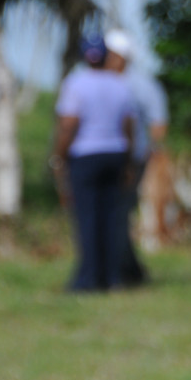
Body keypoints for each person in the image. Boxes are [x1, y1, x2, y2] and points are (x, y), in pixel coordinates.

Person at [51, 33, 135, 292]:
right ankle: (112, 278)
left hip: (85, 156)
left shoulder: (75, 83)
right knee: (110, 217)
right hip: (115, 154)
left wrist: (58, 156)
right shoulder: (120, 84)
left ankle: (87, 279)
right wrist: (128, 161)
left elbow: (68, 124)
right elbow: (128, 126)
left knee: (87, 217)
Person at [104, 29, 169, 285]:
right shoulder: (99, 80)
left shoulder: (142, 85)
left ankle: (125, 271)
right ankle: (129, 270)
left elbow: (158, 124)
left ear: (123, 57)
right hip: (102, 157)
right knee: (111, 214)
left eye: (111, 54)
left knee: (120, 213)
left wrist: (150, 156)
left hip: (132, 160)